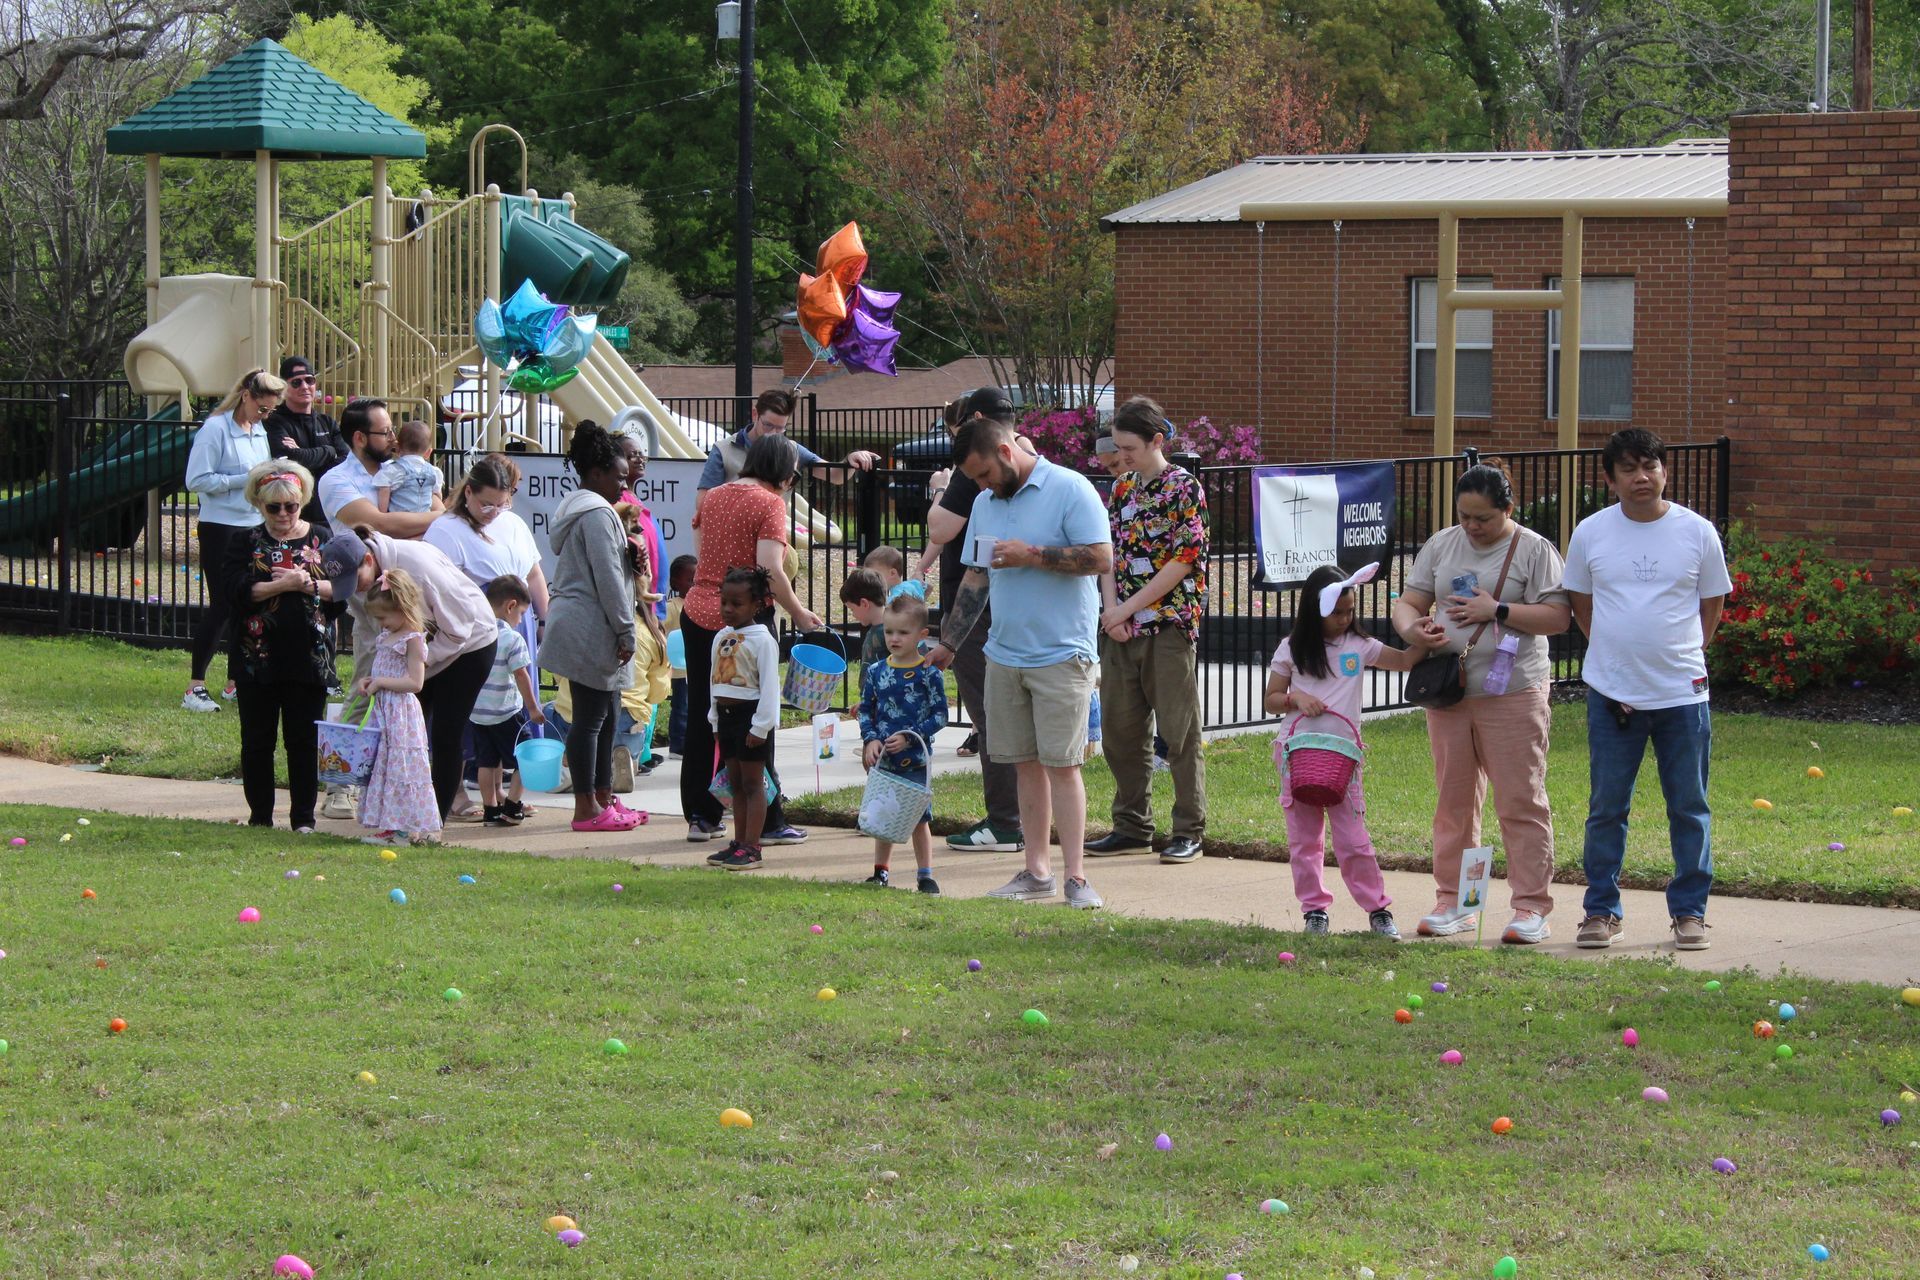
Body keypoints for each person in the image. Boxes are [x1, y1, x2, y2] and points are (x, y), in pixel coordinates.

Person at [929, 413, 1113, 909]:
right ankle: (1036, 872)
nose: (982, 485)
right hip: (1004, 656)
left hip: (1062, 654)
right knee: (1024, 766)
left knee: (1063, 766)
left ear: (1006, 452)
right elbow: (975, 578)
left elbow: (1100, 558)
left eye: (985, 474)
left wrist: (1032, 554)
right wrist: (949, 643)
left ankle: (1075, 877)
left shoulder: (1071, 489)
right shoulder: (987, 504)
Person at [1563, 428, 1732, 952]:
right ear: (1610, 478)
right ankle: (1600, 912)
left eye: (1651, 466)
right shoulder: (1591, 533)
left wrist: (1679, 656)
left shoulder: (1697, 531)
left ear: (1665, 471)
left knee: (1689, 806)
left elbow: (1712, 605)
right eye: (1630, 468)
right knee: (1607, 807)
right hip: (1612, 695)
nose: (1642, 477)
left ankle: (1690, 913)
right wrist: (1619, 657)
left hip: (1683, 696)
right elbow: (1580, 603)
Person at [1392, 459, 1572, 945]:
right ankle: (1457, 903)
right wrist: (1415, 629)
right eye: (1465, 516)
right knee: (1454, 805)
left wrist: (1498, 610)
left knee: (1519, 799)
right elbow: (1408, 601)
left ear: (1508, 510)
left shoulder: (1535, 551)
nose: (1471, 527)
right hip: (1450, 693)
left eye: (1483, 518)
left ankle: (1531, 908)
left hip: (1513, 692)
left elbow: (1558, 617)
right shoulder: (1442, 544)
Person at [1265, 565, 1433, 938]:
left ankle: (1377, 909)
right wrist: (1296, 698)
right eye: (1336, 613)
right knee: (1304, 840)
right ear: (1315, 611)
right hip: (1300, 756)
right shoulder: (1292, 649)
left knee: (1353, 839)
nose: (1344, 619)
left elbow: (1404, 661)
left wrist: (1429, 636)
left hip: (1343, 760)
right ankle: (1314, 911)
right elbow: (1271, 700)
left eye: (1350, 611)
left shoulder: (1360, 646)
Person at [678, 433, 823, 845]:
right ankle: (771, 822)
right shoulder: (771, 503)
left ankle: (700, 817)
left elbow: (701, 550)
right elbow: (770, 569)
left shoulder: (716, 495)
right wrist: (798, 612)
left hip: (700, 612)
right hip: (746, 624)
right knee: (760, 718)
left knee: (705, 713)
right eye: (793, 475)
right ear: (782, 472)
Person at [1088, 397, 1210, 865]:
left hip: (1168, 627)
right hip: (1122, 630)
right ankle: (1131, 826)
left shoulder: (1184, 488)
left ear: (1158, 441)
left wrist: (1127, 610)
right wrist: (1112, 608)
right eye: (1117, 447)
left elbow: (1185, 560)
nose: (1122, 456)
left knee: (1178, 733)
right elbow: (1109, 556)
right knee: (1120, 733)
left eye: (1130, 447)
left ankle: (1188, 828)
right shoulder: (1121, 490)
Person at [913, 389, 1029, 853]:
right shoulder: (1026, 462)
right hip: (1001, 611)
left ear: (978, 422)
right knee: (1012, 722)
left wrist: (944, 487)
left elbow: (940, 528)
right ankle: (1018, 820)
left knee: (993, 718)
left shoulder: (977, 471)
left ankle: (1006, 822)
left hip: (988, 618)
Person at [317, 526, 498, 822]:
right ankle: (401, 813)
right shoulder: (368, 582)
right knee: (399, 735)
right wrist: (380, 671)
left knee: (444, 734)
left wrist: (418, 663)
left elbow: (460, 627)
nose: (355, 589)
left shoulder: (417, 568)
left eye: (356, 580)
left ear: (368, 559)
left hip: (469, 644)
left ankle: (431, 822)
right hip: (419, 650)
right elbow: (374, 635)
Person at [224, 459, 341, 832]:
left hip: (309, 656)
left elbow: (340, 593)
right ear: (259, 505)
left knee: (303, 741)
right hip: (255, 656)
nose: (283, 514)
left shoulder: (321, 537)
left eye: (290, 505)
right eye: (273, 507)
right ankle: (260, 817)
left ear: (302, 501)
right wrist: (284, 585)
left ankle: (303, 819)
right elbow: (237, 592)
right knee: (257, 741)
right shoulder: (244, 542)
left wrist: (306, 583)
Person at [540, 421, 646, 833]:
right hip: (589, 627)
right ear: (596, 473)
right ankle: (585, 808)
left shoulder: (583, 508)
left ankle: (603, 798)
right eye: (619, 476)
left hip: (588, 623)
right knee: (589, 721)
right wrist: (626, 630)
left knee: (608, 712)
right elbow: (606, 579)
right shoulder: (598, 515)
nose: (624, 485)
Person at [181, 367, 281, 712]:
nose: (264, 415)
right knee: (223, 604)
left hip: (253, 523)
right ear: (246, 396)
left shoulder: (257, 430)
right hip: (221, 526)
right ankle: (195, 686)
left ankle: (235, 681)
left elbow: (260, 471)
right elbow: (196, 480)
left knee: (250, 603)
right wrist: (245, 479)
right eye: (261, 408)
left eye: (270, 411)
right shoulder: (215, 429)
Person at [858, 594, 948, 893]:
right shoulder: (876, 672)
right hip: (884, 761)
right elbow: (866, 709)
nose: (894, 639)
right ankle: (880, 871)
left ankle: (925, 874)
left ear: (922, 635)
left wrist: (911, 736)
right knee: (883, 815)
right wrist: (870, 739)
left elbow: (940, 715)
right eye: (889, 631)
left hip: (916, 762)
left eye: (902, 632)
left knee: (919, 819)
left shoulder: (928, 674)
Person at [352, 568, 441, 845]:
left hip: (401, 713)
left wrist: (382, 683)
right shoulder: (386, 637)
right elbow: (385, 671)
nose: (380, 623)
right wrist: (372, 681)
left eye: (383, 617)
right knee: (387, 766)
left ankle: (404, 829)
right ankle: (392, 825)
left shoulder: (412, 639)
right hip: (385, 712)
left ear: (403, 608)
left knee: (402, 768)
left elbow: (415, 682)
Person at [707, 566, 783, 870]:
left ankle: (753, 847)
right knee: (735, 783)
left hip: (750, 719)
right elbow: (714, 682)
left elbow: (769, 687)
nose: (728, 609)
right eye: (724, 602)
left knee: (753, 784)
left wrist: (761, 726)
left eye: (737, 604)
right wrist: (714, 719)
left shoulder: (762, 640)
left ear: (757, 605)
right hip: (726, 719)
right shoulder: (721, 637)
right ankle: (739, 843)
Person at [693, 388, 881, 506]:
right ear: (754, 414)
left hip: (773, 537)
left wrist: (849, 461)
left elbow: (834, 475)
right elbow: (703, 502)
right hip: (733, 540)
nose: (774, 433)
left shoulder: (791, 449)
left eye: (781, 428)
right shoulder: (723, 449)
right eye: (768, 425)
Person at [471, 574, 546, 827]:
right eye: (522, 613)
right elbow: (521, 676)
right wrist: (534, 708)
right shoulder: (512, 639)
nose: (522, 619)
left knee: (486, 762)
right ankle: (513, 807)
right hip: (506, 711)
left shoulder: (475, 633)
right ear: (510, 606)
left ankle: (490, 809)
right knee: (526, 760)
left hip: (479, 713)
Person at [265, 355, 348, 532]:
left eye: (309, 380)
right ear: (284, 387)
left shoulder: (327, 422)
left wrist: (305, 454)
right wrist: (329, 451)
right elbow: (288, 461)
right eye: (296, 382)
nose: (304, 387)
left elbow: (346, 460)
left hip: (328, 514)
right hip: (292, 518)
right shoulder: (274, 422)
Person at [374, 420, 444, 514]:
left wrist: (383, 513)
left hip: (400, 522)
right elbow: (437, 495)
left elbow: (384, 490)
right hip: (424, 521)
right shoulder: (435, 472)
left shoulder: (392, 470)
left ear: (398, 448)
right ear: (428, 453)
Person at [665, 555, 696, 757]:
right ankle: (678, 744)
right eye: (690, 580)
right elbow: (662, 630)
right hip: (678, 669)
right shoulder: (673, 606)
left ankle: (690, 740)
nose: (694, 584)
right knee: (681, 706)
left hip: (694, 666)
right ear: (676, 582)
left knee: (693, 706)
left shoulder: (698, 605)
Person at [840, 567, 891, 670]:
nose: (853, 615)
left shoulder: (892, 631)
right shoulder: (879, 628)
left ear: (864, 604)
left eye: (852, 609)